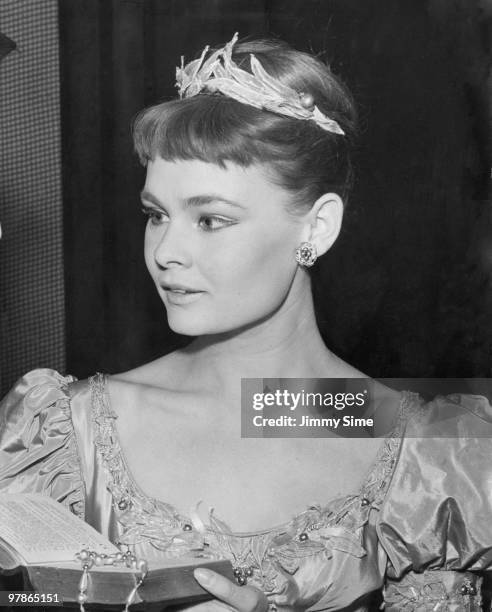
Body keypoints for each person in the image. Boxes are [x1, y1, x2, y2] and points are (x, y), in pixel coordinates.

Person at [1, 33, 491, 612]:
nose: (165, 252)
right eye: (156, 215)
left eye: (210, 219)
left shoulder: (426, 456)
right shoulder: (62, 431)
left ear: (316, 228)